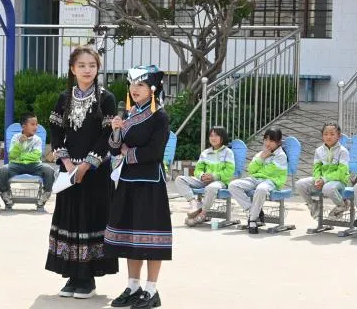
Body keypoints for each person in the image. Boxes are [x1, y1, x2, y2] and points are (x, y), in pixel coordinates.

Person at [46, 46, 118, 299]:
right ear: (72, 69)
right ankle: (73, 276)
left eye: (92, 65)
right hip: (69, 171)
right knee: (70, 220)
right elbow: (55, 132)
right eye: (82, 65)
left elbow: (107, 135)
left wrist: (87, 165)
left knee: (90, 220)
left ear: (98, 69)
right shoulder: (63, 98)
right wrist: (66, 162)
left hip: (95, 172)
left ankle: (87, 279)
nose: (88, 70)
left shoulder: (106, 98)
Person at [106, 65, 171, 309]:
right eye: (132, 84)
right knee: (130, 237)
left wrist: (126, 151)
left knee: (152, 239)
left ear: (152, 89)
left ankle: (151, 290)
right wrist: (115, 131)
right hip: (127, 181)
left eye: (141, 85)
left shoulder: (160, 116)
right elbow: (113, 148)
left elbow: (154, 152)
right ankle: (133, 286)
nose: (134, 89)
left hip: (150, 183)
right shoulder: (130, 113)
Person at [228, 127, 288, 234]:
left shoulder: (281, 155)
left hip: (271, 181)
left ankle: (252, 220)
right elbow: (251, 169)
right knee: (233, 185)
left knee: (261, 189)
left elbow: (271, 172)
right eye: (266, 139)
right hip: (255, 179)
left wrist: (259, 166)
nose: (268, 143)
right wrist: (262, 158)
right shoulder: (261, 153)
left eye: (271, 140)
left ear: (278, 142)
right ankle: (254, 212)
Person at [174, 126, 235, 227]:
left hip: (220, 181)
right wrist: (202, 176)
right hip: (204, 180)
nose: (213, 138)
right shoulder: (205, 153)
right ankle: (194, 204)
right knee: (180, 179)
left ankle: (202, 214)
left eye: (216, 135)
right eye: (211, 135)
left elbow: (229, 172)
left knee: (211, 187)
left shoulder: (228, 152)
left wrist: (214, 177)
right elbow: (198, 169)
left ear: (222, 138)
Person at [0, 113, 55, 211]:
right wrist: (20, 143)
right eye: (32, 124)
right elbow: (11, 155)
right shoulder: (16, 137)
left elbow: (37, 155)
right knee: (2, 170)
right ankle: (5, 194)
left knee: (49, 170)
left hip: (34, 165)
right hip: (16, 165)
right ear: (24, 126)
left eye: (36, 124)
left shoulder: (37, 139)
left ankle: (45, 195)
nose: (35, 127)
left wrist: (21, 157)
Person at [296, 122, 350, 220]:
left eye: (332, 134)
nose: (328, 137)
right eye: (325, 134)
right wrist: (317, 180)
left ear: (339, 136)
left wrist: (324, 180)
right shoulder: (319, 151)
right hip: (322, 181)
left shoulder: (343, 151)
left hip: (339, 181)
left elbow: (341, 172)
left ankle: (342, 204)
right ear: (322, 136)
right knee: (300, 184)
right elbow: (317, 168)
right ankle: (313, 205)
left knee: (327, 188)